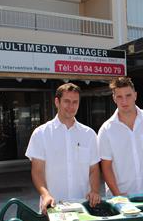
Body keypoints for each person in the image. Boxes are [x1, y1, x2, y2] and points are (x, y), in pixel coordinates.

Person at [26, 83, 100, 214]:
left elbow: (93, 169)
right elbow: (37, 171)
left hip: (84, 208)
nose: (71, 106)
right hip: (52, 208)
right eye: (66, 101)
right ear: (57, 102)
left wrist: (94, 190)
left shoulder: (89, 134)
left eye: (75, 102)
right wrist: (45, 195)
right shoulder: (41, 134)